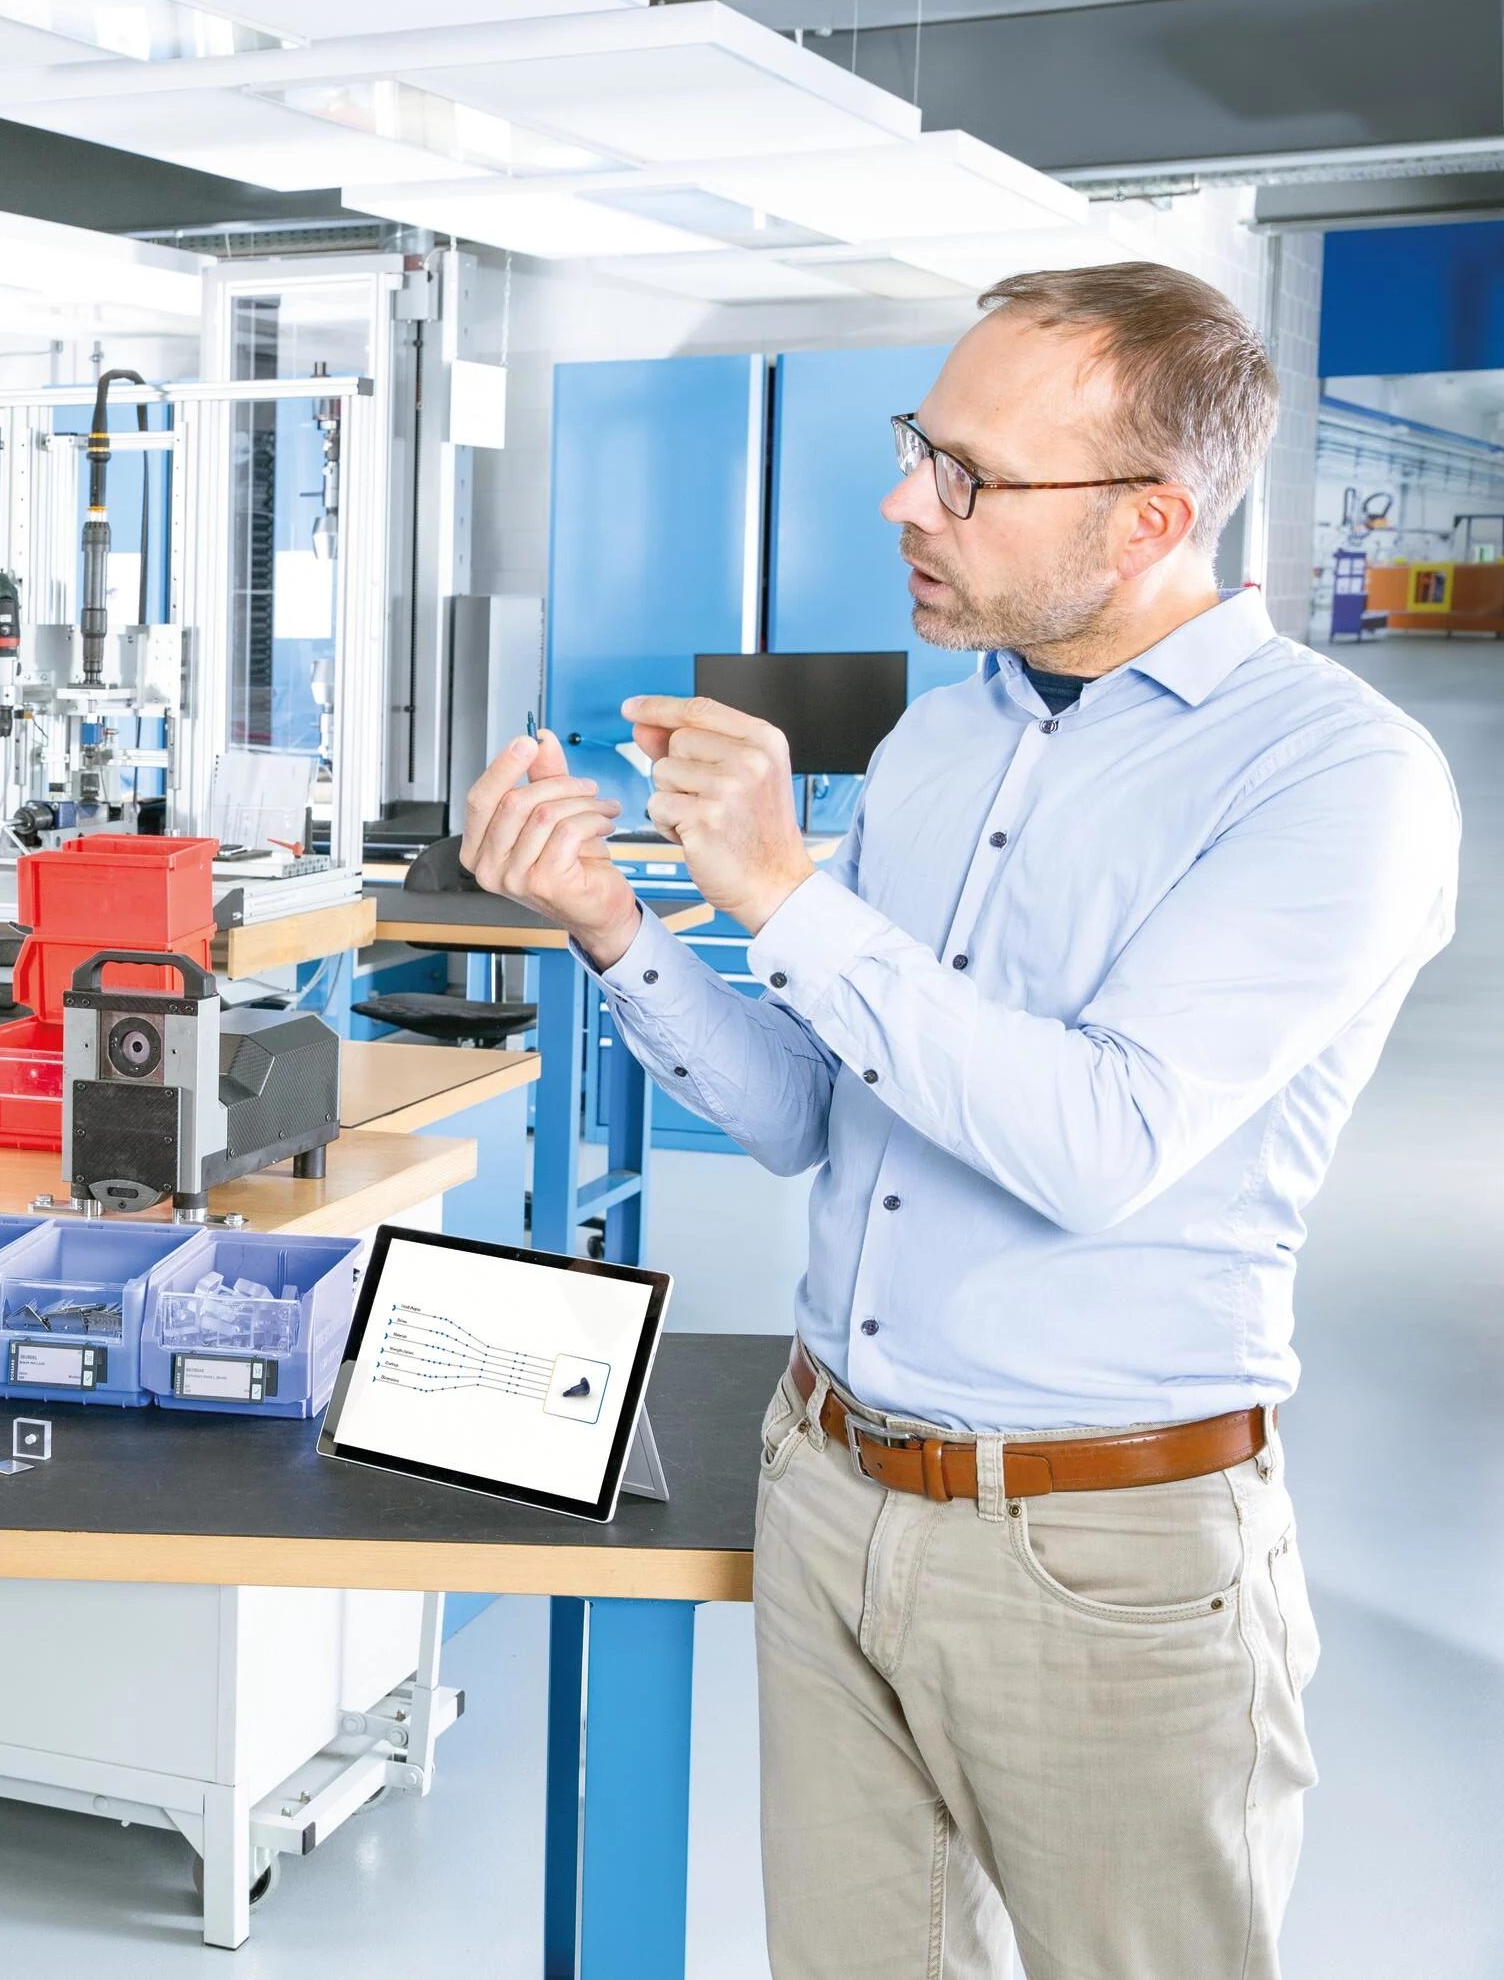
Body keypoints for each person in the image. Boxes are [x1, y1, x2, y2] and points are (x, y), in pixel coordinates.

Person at [459, 263, 1459, 1977]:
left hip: (1103, 1555)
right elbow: (812, 1121)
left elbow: (1097, 1139)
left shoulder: (1335, 779)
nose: (903, 501)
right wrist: (624, 929)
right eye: (922, 445)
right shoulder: (945, 740)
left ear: (1153, 515)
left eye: (970, 476)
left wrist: (782, 888)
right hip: (833, 1489)